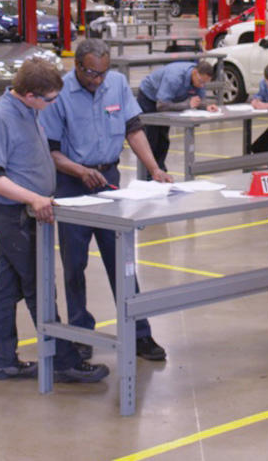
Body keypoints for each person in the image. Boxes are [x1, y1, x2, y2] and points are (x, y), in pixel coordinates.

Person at [40, 39, 172, 362]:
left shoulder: (117, 85)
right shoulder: (60, 94)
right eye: (90, 74)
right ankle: (81, 332)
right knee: (75, 263)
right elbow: (51, 150)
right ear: (77, 66)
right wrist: (80, 171)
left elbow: (134, 129)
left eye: (103, 73)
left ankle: (140, 333)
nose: (98, 80)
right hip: (72, 185)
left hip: (109, 182)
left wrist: (155, 169)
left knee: (122, 260)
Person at [0, 59, 110, 384]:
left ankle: (0, 361)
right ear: (29, 94)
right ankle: (64, 361)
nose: (52, 106)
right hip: (15, 216)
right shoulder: (0, 118)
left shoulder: (30, 112)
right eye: (49, 100)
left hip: (29, 215)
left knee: (6, 289)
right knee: (40, 287)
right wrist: (34, 198)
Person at [136, 60, 218, 173]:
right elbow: (161, 106)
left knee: (163, 139)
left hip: (170, 101)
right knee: (152, 137)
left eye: (205, 83)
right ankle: (148, 173)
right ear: (195, 73)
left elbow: (200, 100)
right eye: (201, 82)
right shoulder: (174, 78)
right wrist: (187, 105)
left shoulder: (199, 79)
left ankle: (160, 169)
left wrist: (206, 106)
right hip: (150, 98)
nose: (202, 86)